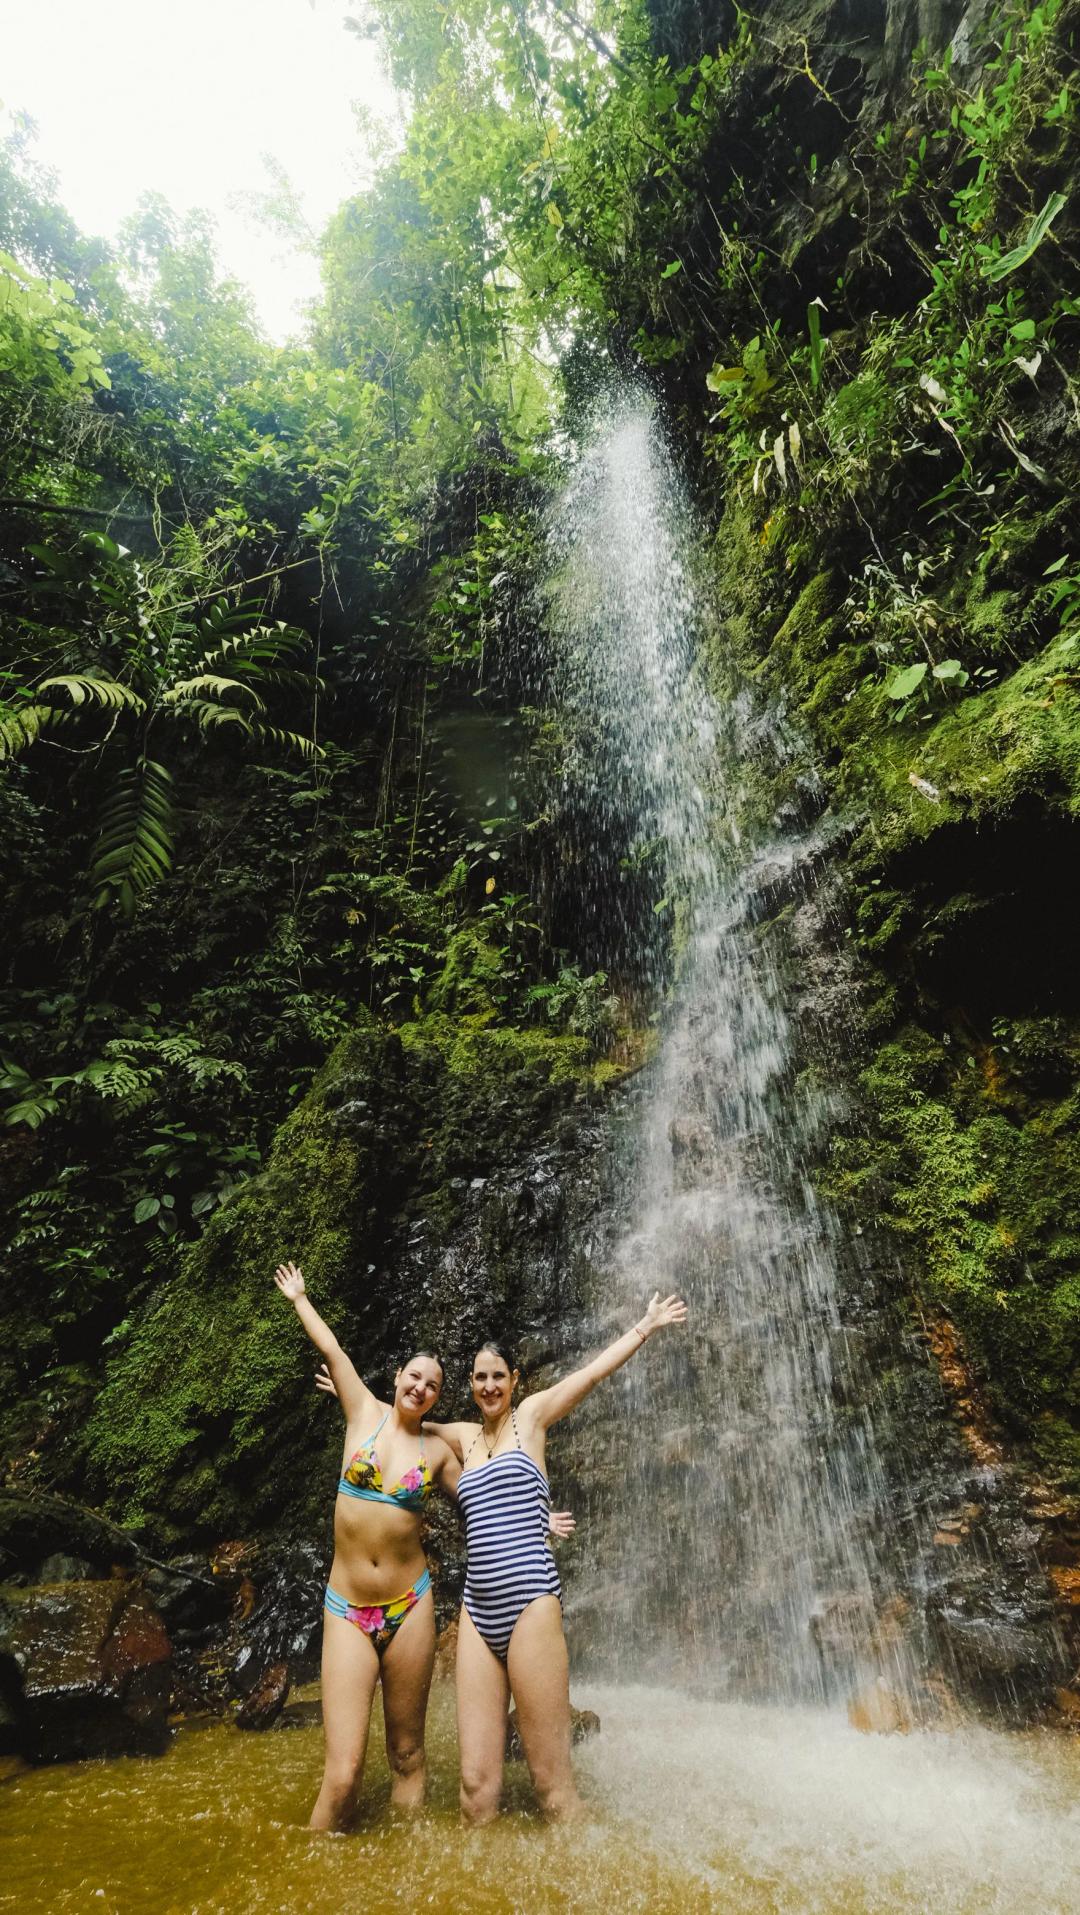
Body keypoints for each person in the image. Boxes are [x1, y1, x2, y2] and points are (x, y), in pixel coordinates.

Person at [439, 1291, 688, 1825]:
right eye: (480, 1378)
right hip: (477, 1611)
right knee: (475, 1792)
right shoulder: (461, 1438)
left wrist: (645, 1326)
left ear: (514, 1381)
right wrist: (355, 1397)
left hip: (530, 1602)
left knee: (553, 1791)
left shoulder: (530, 1419)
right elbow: (402, 1418)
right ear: (470, 1385)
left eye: (498, 1376)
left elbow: (592, 1374)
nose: (489, 1386)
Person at [272, 1260, 460, 1829]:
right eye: (413, 1376)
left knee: (407, 1755)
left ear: (435, 1398)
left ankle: (403, 1873)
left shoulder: (438, 1452)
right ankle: (309, 1874)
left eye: (431, 1384)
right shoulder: (361, 1411)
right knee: (344, 1770)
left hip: (410, 1605)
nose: (419, 1386)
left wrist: (536, 1518)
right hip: (347, 1608)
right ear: (398, 1375)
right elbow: (333, 1350)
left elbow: (480, 1500)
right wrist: (301, 1298)